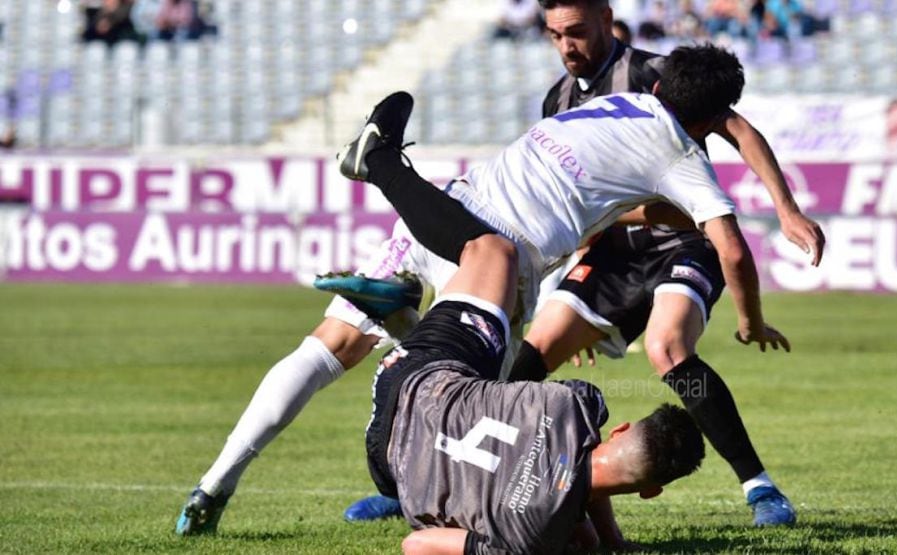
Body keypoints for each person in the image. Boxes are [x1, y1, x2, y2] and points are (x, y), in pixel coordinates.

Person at [175, 44, 787, 535]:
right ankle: (409, 466)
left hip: (447, 209)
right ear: (711, 119)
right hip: (502, 259)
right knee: (468, 408)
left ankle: (213, 486)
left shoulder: (618, 101)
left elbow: (616, 198)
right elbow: (730, 247)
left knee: (326, 347)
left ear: (659, 85)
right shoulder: (681, 156)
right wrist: (752, 318)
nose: (564, 43)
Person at [348, 0, 822, 527]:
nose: (566, 46)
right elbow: (574, 205)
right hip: (614, 245)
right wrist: (564, 293)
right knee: (533, 351)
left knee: (667, 347)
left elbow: (739, 134)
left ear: (604, 19)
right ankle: (431, 471)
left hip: (682, 242)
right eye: (554, 36)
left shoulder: (652, 73)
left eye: (574, 32)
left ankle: (759, 486)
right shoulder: (562, 99)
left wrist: (786, 209)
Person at [359, 288, 705, 553]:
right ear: (650, 491)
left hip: (414, 377)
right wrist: (594, 534)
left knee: (494, 254)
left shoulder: (577, 403)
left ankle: (407, 322)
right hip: (387, 462)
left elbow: (580, 457)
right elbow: (416, 545)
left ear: (620, 429)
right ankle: (405, 328)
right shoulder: (530, 540)